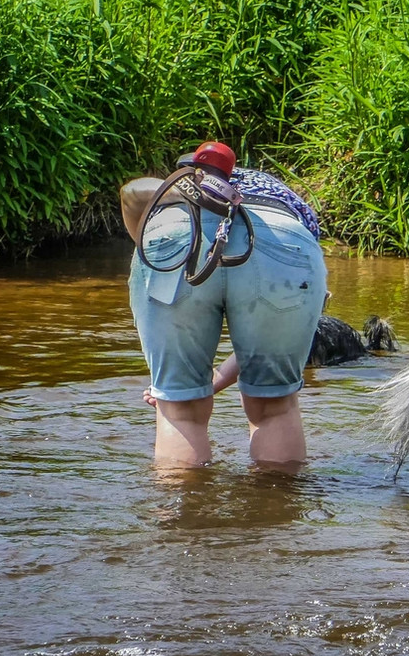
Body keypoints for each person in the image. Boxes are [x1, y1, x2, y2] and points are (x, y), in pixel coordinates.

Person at [121, 142, 327, 469]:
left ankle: (181, 514)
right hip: (285, 242)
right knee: (274, 407)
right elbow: (255, 346)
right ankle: (275, 515)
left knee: (180, 412)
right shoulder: (276, 191)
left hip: (172, 237)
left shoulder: (172, 190)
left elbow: (131, 194)